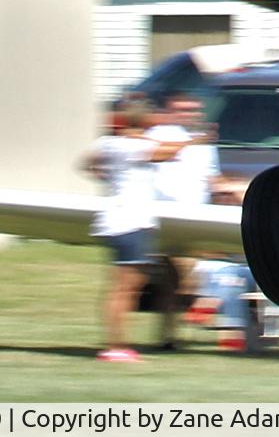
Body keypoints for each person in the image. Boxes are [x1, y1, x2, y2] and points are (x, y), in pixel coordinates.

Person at [81, 98, 208, 363]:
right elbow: (168, 152)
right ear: (139, 121)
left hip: (114, 219)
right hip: (130, 222)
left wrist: (104, 175)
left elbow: (86, 164)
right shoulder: (132, 146)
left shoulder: (108, 144)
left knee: (122, 287)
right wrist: (195, 141)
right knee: (125, 289)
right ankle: (115, 346)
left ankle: (115, 344)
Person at [144, 92, 220, 350]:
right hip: (167, 219)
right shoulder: (158, 134)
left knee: (187, 281)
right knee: (174, 281)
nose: (190, 114)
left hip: (198, 220)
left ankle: (171, 333)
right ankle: (169, 334)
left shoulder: (206, 147)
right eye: (183, 109)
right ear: (170, 111)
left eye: (194, 109)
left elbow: (211, 181)